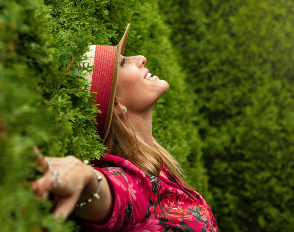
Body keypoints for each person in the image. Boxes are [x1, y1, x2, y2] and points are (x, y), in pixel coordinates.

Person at [32, 24, 218, 231]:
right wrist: (84, 177)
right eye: (122, 62)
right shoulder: (131, 182)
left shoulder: (158, 167)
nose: (141, 58)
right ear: (116, 105)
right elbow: (112, 191)